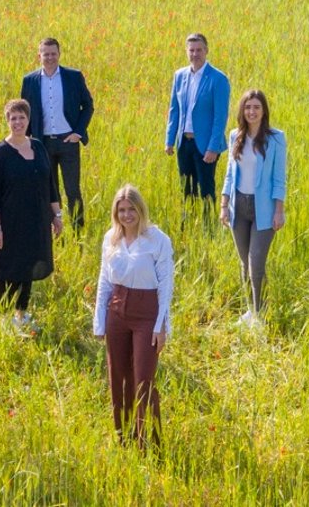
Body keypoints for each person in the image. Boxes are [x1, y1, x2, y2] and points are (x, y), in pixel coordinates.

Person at [91, 184, 173, 445]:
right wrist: (99, 322)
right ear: (116, 213)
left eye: (131, 209)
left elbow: (166, 285)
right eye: (121, 210)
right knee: (119, 377)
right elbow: (104, 280)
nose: (127, 215)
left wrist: (161, 326)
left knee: (143, 379)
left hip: (147, 313)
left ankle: (150, 442)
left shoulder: (157, 239)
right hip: (116, 310)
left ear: (141, 209)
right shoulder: (110, 239)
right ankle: (123, 437)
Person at [0, 99, 63, 336]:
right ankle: (7, 318)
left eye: (22, 118)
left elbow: (50, 183)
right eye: (13, 118)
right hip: (7, 223)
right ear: (7, 121)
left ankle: (22, 314)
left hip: (35, 220)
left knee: (29, 266)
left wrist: (56, 214)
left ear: (29, 120)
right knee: (8, 268)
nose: (18, 122)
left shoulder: (38, 147)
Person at [218, 90, 287, 324]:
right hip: (240, 206)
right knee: (243, 262)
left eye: (256, 107)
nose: (252, 111)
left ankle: (261, 314)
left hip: (264, 209)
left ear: (264, 110)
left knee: (256, 262)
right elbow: (229, 173)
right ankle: (250, 310)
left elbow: (279, 178)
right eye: (248, 107)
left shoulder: (276, 138)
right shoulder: (235, 135)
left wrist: (279, 209)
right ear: (242, 110)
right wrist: (224, 204)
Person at [20, 37, 96, 229]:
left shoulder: (73, 76)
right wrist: (28, 140)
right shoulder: (29, 81)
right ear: (39, 56)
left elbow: (87, 105)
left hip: (68, 141)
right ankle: (56, 233)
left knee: (73, 191)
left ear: (59, 54)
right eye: (46, 54)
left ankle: (79, 235)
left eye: (54, 54)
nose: (50, 58)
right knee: (49, 192)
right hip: (42, 143)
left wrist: (78, 132)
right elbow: (24, 112)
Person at [162, 33, 231, 201]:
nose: (195, 54)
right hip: (184, 143)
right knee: (185, 191)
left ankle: (207, 226)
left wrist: (213, 148)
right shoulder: (179, 76)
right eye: (191, 50)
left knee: (206, 190)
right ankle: (187, 225)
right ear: (187, 51)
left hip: (206, 145)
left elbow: (220, 117)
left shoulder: (218, 79)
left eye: (199, 50)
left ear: (206, 51)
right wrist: (170, 140)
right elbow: (174, 110)